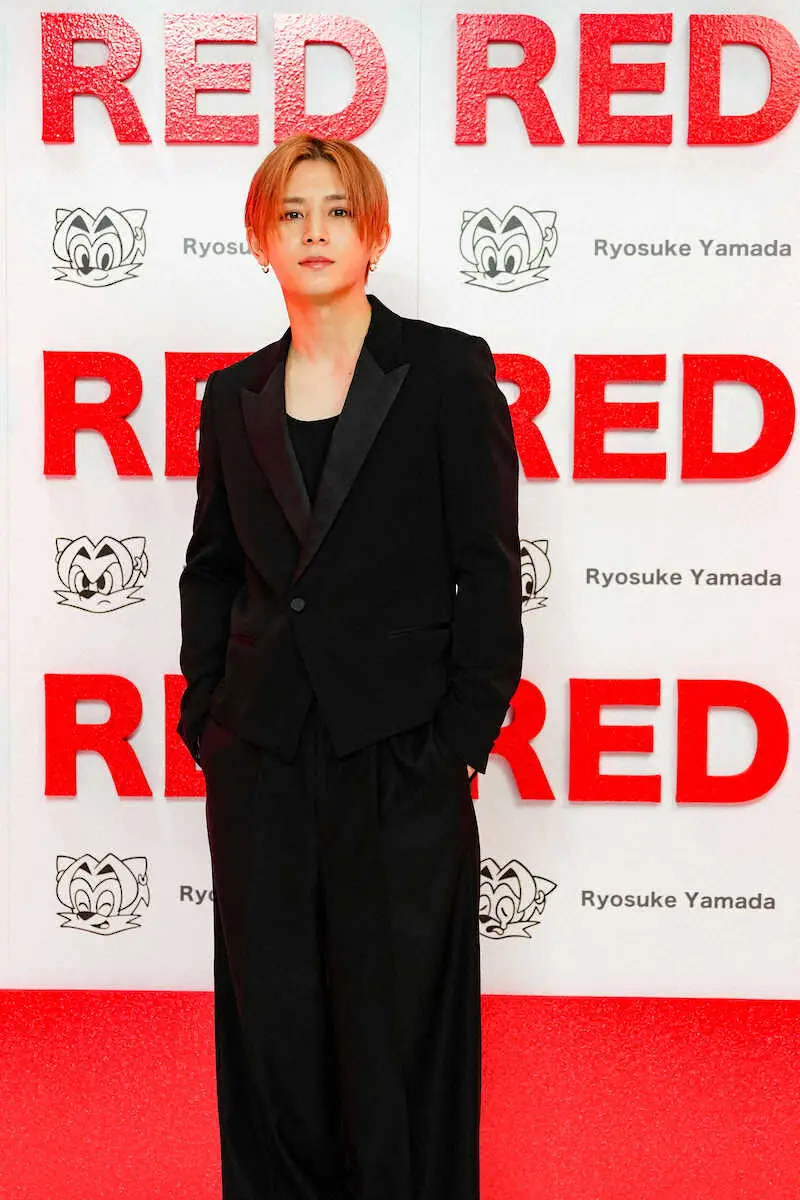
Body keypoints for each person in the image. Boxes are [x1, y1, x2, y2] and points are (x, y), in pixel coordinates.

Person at [177, 132, 523, 1200]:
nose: (314, 231)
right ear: (261, 240)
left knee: (397, 1033)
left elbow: (487, 571)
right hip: (262, 759)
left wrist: (457, 742)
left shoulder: (446, 372)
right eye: (291, 213)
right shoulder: (232, 395)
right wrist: (209, 719)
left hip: (400, 758)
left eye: (336, 210)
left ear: (374, 233)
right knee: (273, 1031)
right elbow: (211, 567)